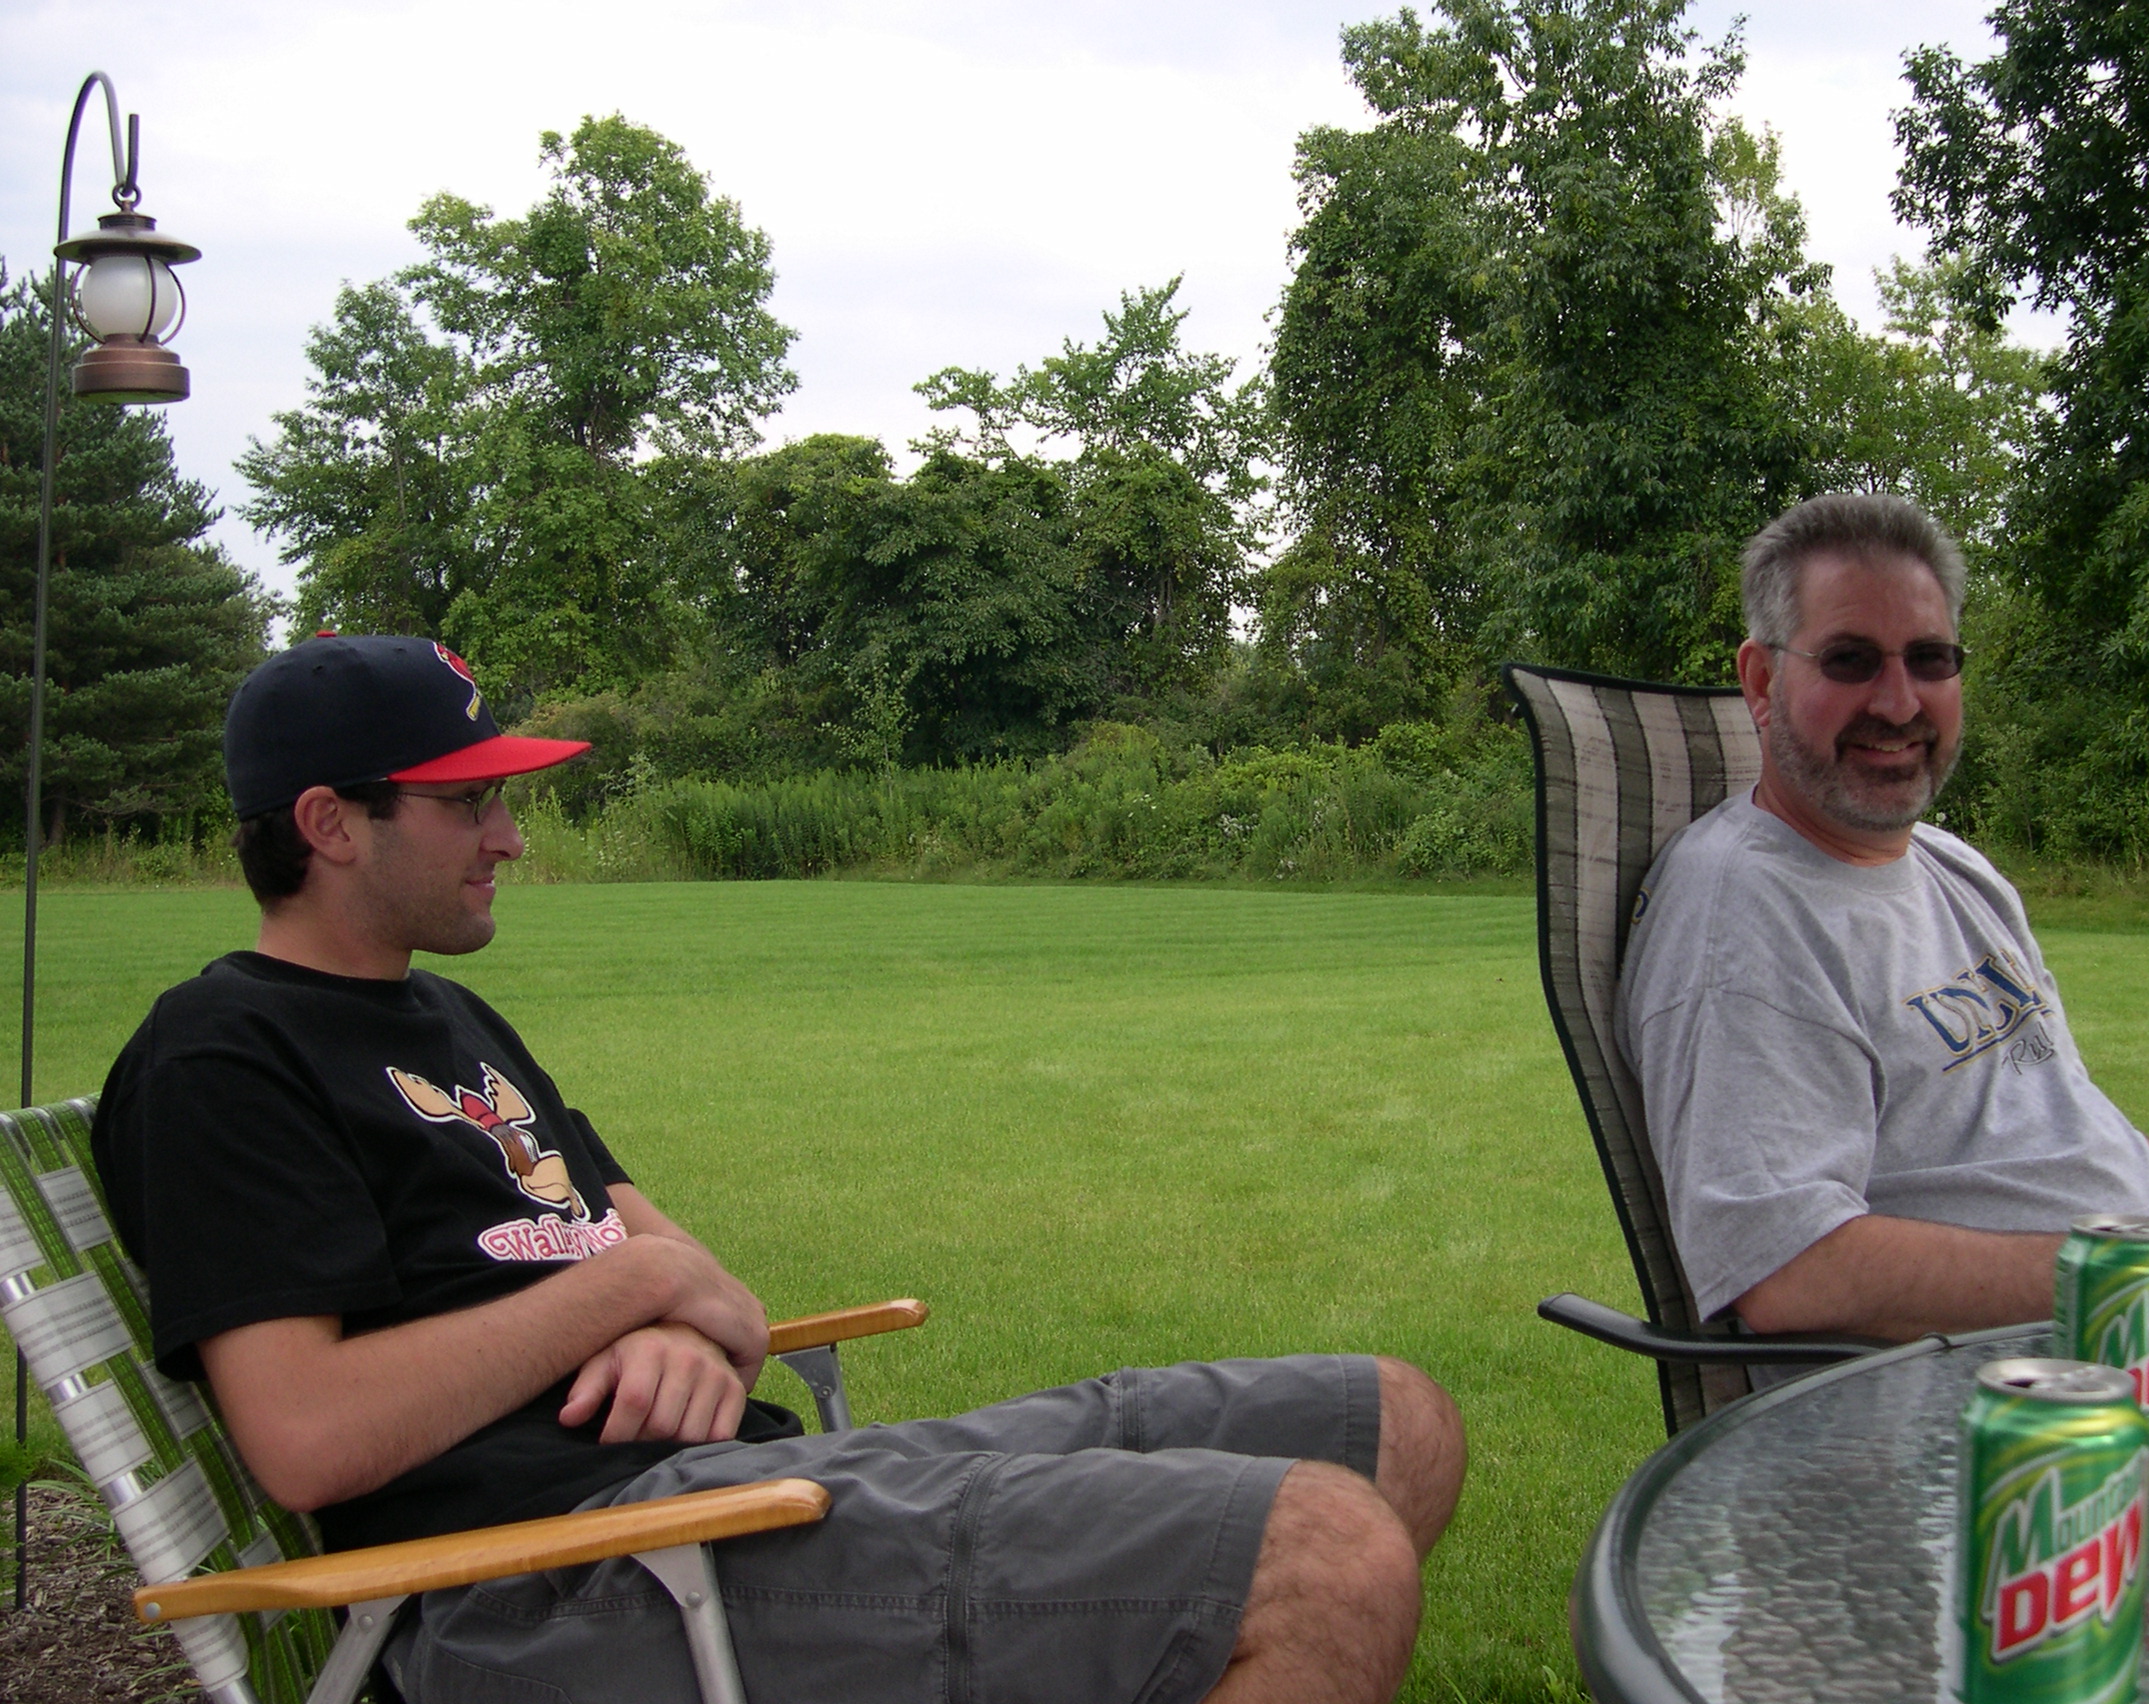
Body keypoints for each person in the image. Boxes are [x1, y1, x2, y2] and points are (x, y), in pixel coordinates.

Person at [92, 634, 1466, 1704]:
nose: (511, 837)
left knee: (1392, 1420)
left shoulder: (446, 1018)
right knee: (1321, 1556)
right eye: (469, 805)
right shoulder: (223, 1057)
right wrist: (636, 1293)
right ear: (331, 824)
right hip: (550, 1588)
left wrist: (676, 1301)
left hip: (736, 1497)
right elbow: (308, 1433)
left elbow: (721, 1303)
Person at [1614, 494, 2149, 1346]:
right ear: (1764, 683)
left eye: (1930, 659)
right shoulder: (1741, 921)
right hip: (2051, 1402)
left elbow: (2042, 1116)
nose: (1898, 703)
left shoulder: (1954, 866)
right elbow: (1786, 1271)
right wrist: (2139, 1268)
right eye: (1850, 660)